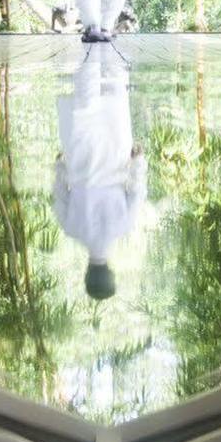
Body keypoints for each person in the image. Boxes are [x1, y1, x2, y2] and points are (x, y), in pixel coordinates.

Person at [51, 45, 145, 300]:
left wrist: (138, 162)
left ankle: (107, 43)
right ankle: (92, 46)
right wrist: (60, 165)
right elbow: (59, 194)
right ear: (86, 273)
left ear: (110, 273)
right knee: (86, 102)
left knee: (115, 98)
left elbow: (136, 193)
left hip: (115, 161)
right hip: (81, 163)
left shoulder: (123, 227)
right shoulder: (71, 229)